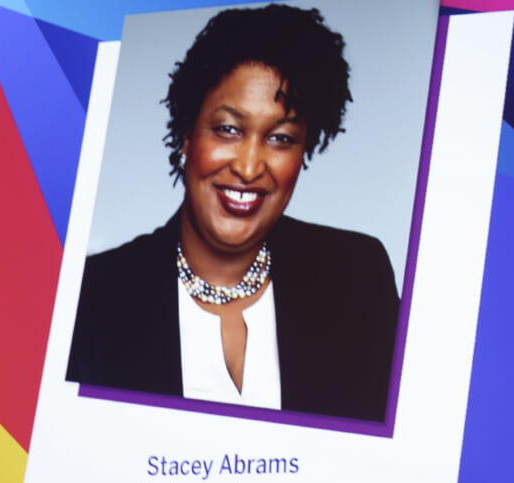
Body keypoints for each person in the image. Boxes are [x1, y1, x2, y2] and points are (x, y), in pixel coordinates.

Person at [67, 4, 398, 422]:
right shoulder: (92, 299)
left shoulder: (357, 279)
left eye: (280, 138)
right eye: (228, 129)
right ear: (187, 133)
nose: (248, 167)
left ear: (304, 150)